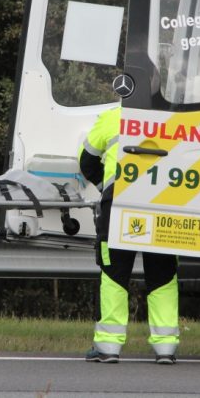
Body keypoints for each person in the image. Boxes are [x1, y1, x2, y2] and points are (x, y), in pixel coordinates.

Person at [78, 106, 180, 365]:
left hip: (119, 203)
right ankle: (165, 349)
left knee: (114, 275)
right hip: (164, 202)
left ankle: (108, 347)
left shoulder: (113, 116)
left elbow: (87, 161)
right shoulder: (178, 117)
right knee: (163, 276)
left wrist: (106, 187)